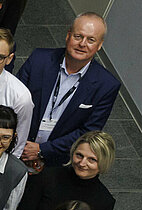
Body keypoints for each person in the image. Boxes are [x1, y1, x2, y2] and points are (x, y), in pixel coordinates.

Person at [17, 13, 120, 168]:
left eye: (91, 40)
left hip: (57, 161)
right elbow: (14, 100)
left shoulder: (106, 85)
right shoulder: (39, 59)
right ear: (68, 35)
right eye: (78, 36)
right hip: (16, 144)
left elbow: (88, 131)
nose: (82, 44)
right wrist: (21, 144)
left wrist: (42, 150)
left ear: (99, 45)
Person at [13, 131, 117, 210]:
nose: (82, 163)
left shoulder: (105, 201)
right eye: (79, 155)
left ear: (104, 162)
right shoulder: (46, 177)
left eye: (92, 160)